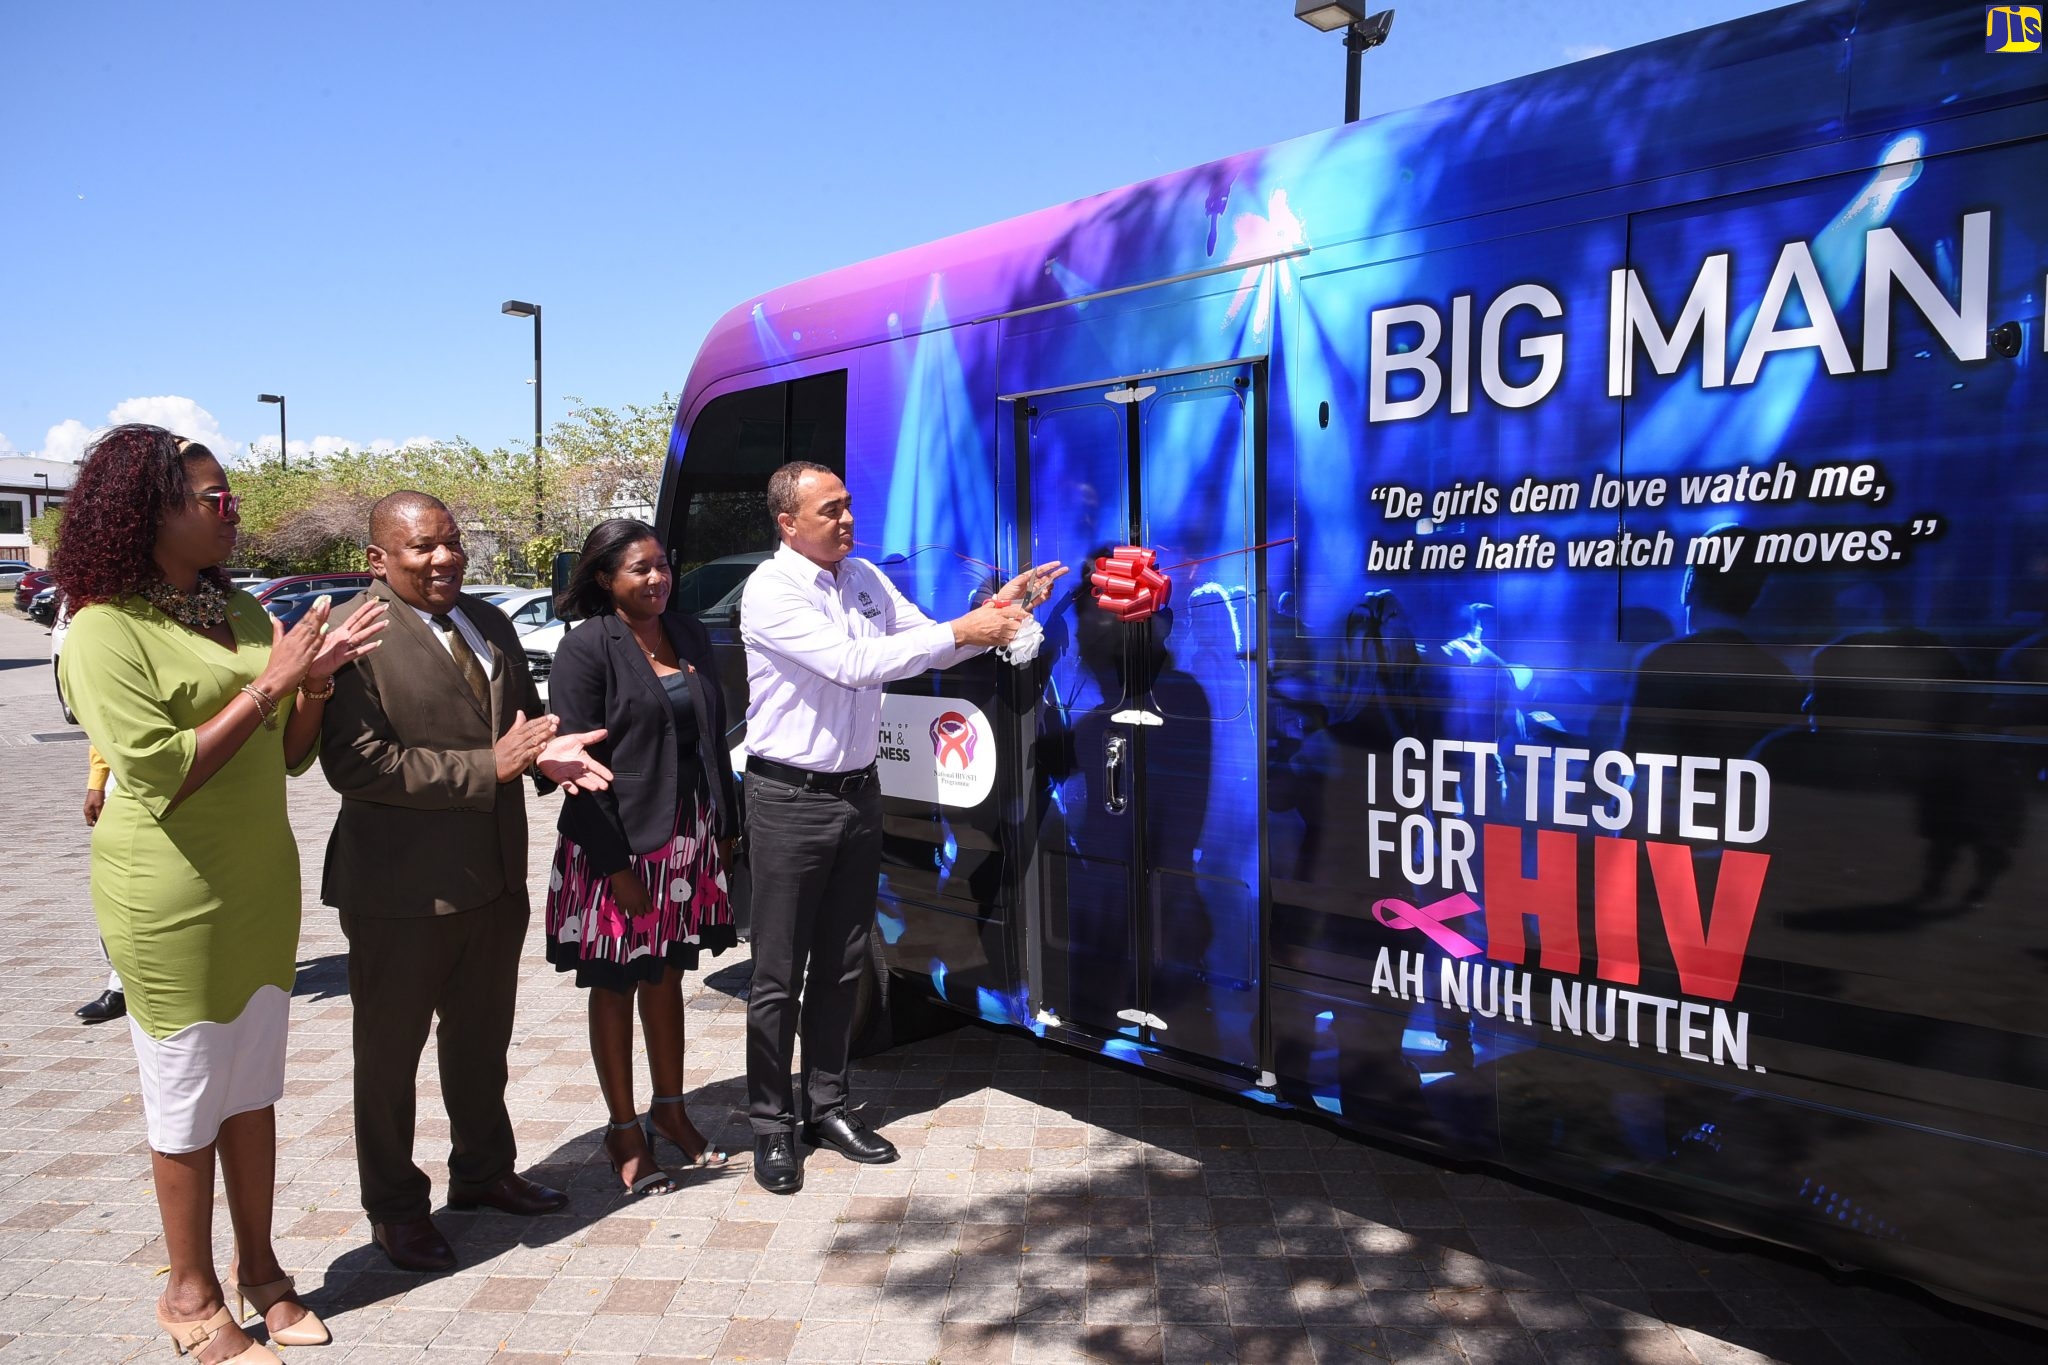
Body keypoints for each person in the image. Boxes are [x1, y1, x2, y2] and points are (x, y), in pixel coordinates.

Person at [56, 424, 387, 1365]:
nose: (232, 510)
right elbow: (161, 774)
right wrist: (272, 681)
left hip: (257, 881)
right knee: (189, 1092)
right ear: (150, 510)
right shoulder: (102, 628)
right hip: (168, 894)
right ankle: (188, 1291)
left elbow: (283, 757)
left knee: (251, 1087)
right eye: (214, 497)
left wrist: (311, 687)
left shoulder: (237, 612)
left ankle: (263, 1270)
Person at [739, 460, 1064, 1194]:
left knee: (845, 962)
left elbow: (929, 641)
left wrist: (996, 610)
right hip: (789, 798)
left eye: (850, 505)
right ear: (788, 523)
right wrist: (965, 625)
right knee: (777, 974)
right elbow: (853, 663)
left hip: (857, 795)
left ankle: (827, 1106)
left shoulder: (862, 578)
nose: (847, 519)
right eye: (831, 510)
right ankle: (770, 1124)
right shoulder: (772, 588)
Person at [319, 491, 612, 1272]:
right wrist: (492, 767)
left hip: (492, 876)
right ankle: (395, 1208)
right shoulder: (352, 635)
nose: (444, 558)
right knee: (389, 1060)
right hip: (399, 892)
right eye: (421, 548)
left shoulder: (491, 622)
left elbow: (516, 733)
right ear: (378, 560)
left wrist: (548, 754)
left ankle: (482, 1172)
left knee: (481, 1043)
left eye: (451, 543)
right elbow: (356, 763)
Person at [544, 519, 741, 1196]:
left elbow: (711, 734)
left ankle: (672, 1110)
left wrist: (726, 825)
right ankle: (623, 1130)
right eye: (639, 569)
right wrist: (619, 869)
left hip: (685, 837)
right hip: (616, 844)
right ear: (605, 578)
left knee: (665, 975)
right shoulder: (586, 648)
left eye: (662, 565)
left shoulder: (685, 632)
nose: (657, 579)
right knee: (615, 982)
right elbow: (578, 766)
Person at [74, 743, 127, 1024]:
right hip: (123, 780)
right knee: (117, 889)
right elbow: (103, 725)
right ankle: (120, 985)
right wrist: (97, 782)